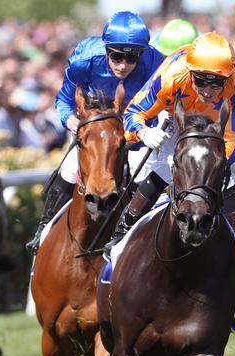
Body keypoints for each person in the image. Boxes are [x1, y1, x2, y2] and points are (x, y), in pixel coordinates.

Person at [104, 32, 235, 280]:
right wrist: (144, 133)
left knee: (225, 179)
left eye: (216, 83)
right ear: (190, 73)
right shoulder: (171, 76)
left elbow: (234, 138)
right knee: (166, 169)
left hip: (212, 122)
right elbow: (132, 113)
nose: (208, 91)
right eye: (201, 81)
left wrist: (216, 164)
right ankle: (120, 234)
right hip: (175, 116)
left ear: (228, 78)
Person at [25, 11, 165, 254]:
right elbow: (64, 101)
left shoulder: (157, 64)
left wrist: (154, 127)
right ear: (106, 49)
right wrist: (73, 123)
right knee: (69, 169)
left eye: (132, 58)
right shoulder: (85, 60)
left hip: (138, 135)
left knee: (148, 178)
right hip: (94, 129)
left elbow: (168, 102)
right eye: (117, 57)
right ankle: (44, 230)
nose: (123, 65)